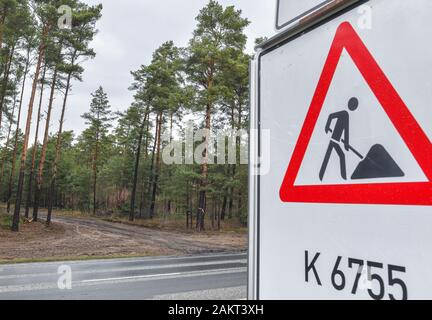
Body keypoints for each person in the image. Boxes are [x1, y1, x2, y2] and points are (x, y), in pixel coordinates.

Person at [319, 97, 359, 181]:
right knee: (339, 156)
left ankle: (322, 176)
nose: (354, 107)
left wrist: (346, 144)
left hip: (335, 141)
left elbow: (346, 130)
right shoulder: (344, 113)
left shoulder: (346, 115)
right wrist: (327, 126)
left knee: (334, 156)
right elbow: (331, 116)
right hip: (333, 140)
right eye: (353, 105)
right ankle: (342, 178)